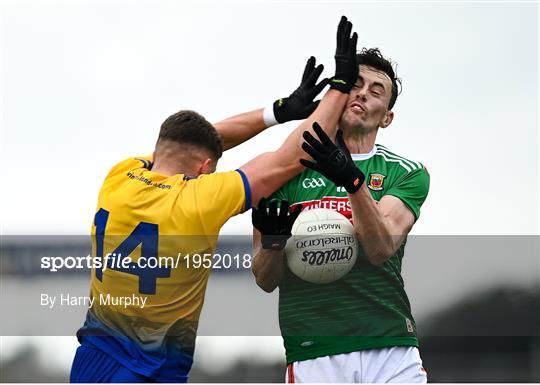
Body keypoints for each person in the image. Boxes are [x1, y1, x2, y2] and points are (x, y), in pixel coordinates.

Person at [69, 16, 359, 383]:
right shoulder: (200, 201)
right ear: (205, 167)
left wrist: (278, 112)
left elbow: (192, 139)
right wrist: (340, 85)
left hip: (92, 361)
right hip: (154, 371)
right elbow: (291, 157)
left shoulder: (120, 176)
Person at [252, 47, 430, 383]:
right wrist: (274, 243)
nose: (363, 93)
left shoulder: (405, 172)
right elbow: (264, 279)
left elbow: (380, 248)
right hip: (314, 348)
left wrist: (352, 181)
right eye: (355, 84)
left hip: (389, 344)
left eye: (376, 90)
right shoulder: (284, 172)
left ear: (386, 117)